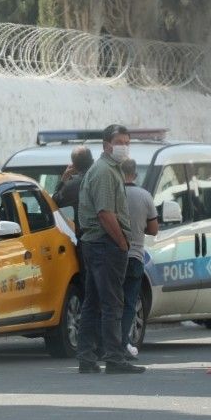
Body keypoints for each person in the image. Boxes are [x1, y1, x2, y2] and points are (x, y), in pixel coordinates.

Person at [75, 124, 145, 374]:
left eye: (127, 142)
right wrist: (122, 242)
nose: (124, 147)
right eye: (119, 142)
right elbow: (105, 213)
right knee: (112, 303)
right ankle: (114, 358)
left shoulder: (109, 169)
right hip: (105, 244)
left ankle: (87, 357)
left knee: (94, 302)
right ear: (106, 145)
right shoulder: (105, 171)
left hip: (98, 244)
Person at [119, 157, 158, 359]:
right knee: (129, 303)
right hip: (135, 256)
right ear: (135, 175)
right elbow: (153, 229)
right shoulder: (145, 196)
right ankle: (123, 342)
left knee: (111, 302)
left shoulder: (114, 195)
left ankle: (108, 344)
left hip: (114, 256)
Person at [52, 146, 93, 234]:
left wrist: (63, 179)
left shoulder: (71, 185)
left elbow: (54, 202)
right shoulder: (103, 178)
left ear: (74, 165)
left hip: (83, 234)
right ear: (92, 161)